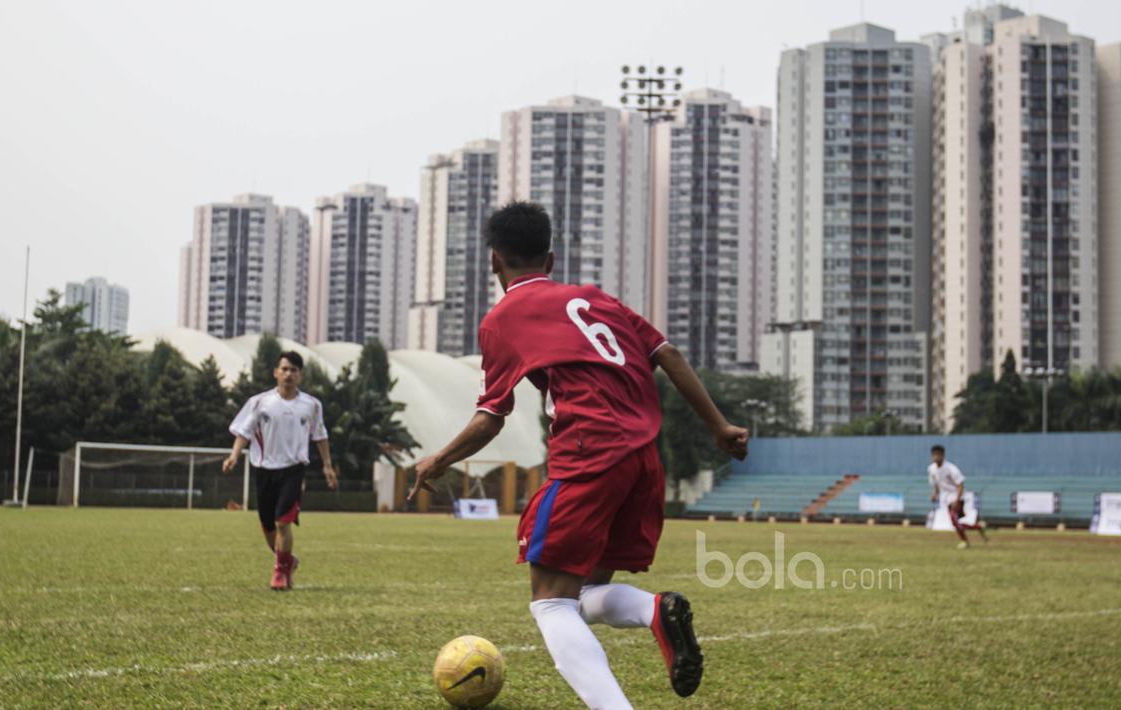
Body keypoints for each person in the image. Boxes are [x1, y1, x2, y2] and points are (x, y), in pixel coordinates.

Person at [409, 201, 749, 709]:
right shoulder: (596, 299)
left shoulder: (503, 318)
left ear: (493, 261)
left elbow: (491, 416)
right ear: (550, 259)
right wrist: (718, 426)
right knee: (582, 594)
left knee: (549, 603)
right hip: (643, 460)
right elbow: (668, 355)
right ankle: (656, 610)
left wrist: (436, 461)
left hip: (589, 452)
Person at [222, 351, 338, 591]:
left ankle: (280, 573)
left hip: (294, 469)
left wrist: (327, 465)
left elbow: (320, 435)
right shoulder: (259, 402)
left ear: (300, 375)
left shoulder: (312, 405)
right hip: (264, 469)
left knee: (282, 522)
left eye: (293, 370)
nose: (288, 374)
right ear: (276, 372)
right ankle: (287, 560)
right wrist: (234, 455)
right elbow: (244, 431)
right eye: (284, 369)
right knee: (268, 527)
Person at [928, 444, 987, 549]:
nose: (936, 457)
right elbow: (936, 484)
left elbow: (960, 484)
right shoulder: (931, 469)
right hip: (946, 499)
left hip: (956, 497)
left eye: (938, 455)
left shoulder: (950, 468)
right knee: (955, 523)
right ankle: (978, 527)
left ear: (942, 455)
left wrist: (958, 500)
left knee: (953, 519)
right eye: (934, 455)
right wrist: (935, 494)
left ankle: (965, 542)